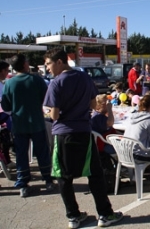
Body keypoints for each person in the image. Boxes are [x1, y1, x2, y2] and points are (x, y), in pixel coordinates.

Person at [42, 49, 123, 228]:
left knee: (63, 176)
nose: (46, 68)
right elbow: (93, 104)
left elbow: (54, 115)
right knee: (94, 174)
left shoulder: (55, 83)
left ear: (60, 62)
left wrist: (46, 111)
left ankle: (73, 216)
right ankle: (105, 213)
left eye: (48, 63)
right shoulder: (84, 77)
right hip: (83, 132)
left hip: (63, 133)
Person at [1, 54, 54, 198]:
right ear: (24, 64)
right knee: (42, 151)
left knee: (21, 154)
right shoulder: (36, 80)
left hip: (19, 124)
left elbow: (5, 105)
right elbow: (47, 99)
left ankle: (23, 183)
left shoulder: (9, 83)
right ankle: (48, 179)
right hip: (37, 122)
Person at [123, 95, 150, 188]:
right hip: (139, 155)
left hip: (124, 153)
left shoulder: (132, 117)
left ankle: (136, 175)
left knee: (149, 146)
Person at [0, 60, 14, 169]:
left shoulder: (2, 84)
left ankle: (6, 160)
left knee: (6, 137)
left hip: (4, 116)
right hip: (3, 116)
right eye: (6, 70)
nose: (7, 73)